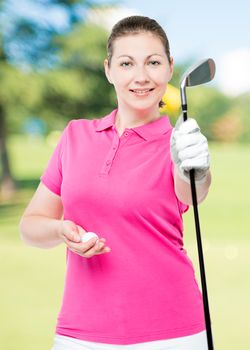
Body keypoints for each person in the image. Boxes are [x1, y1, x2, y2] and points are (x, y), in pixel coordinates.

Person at [19, 15, 211, 350]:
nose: (141, 77)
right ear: (109, 70)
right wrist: (60, 231)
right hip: (80, 333)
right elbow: (31, 225)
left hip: (174, 333)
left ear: (169, 68)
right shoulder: (75, 135)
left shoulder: (180, 142)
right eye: (126, 63)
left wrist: (194, 168)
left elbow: (193, 191)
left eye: (153, 62)